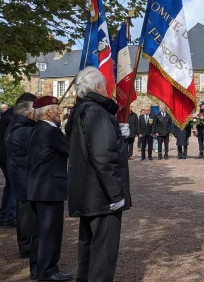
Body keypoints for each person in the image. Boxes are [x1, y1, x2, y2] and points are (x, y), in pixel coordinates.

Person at [65, 68, 132, 282]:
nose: (108, 89)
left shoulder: (81, 110)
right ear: (96, 87)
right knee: (103, 250)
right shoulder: (96, 111)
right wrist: (116, 193)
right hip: (101, 192)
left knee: (88, 246)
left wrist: (119, 136)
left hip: (88, 190)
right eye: (105, 85)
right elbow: (103, 156)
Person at [27, 96, 72, 281]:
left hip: (39, 187)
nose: (60, 112)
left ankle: (38, 268)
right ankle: (49, 271)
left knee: (40, 233)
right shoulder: (50, 131)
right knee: (50, 233)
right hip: (50, 188)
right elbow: (71, 149)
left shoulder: (37, 129)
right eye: (57, 109)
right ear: (48, 112)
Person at [0, 92, 37, 226]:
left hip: (1, 152)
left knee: (11, 185)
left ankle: (5, 215)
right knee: (14, 184)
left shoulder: (11, 112)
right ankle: (9, 216)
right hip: (5, 153)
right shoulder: (15, 114)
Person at [5, 101, 36, 260]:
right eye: (34, 109)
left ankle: (26, 245)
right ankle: (26, 247)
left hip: (20, 173)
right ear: (27, 113)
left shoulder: (16, 126)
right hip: (24, 175)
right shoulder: (26, 130)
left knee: (24, 212)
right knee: (26, 214)